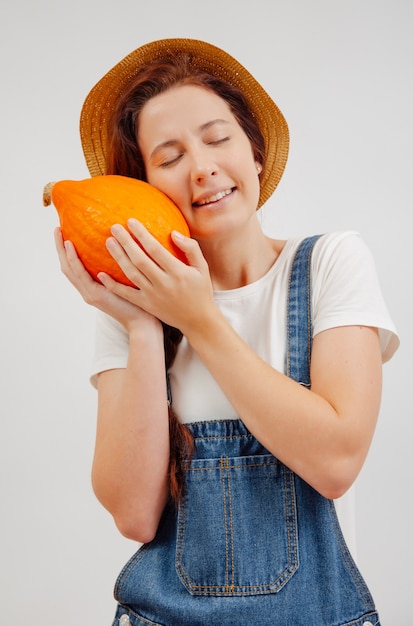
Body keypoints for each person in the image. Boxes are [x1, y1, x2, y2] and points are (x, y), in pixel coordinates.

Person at [55, 38, 399, 626]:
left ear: (255, 152)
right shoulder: (128, 309)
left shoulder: (329, 264)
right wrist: (141, 327)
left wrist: (199, 318)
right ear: (142, 189)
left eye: (218, 139)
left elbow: (336, 461)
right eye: (169, 157)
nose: (203, 166)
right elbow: (135, 515)